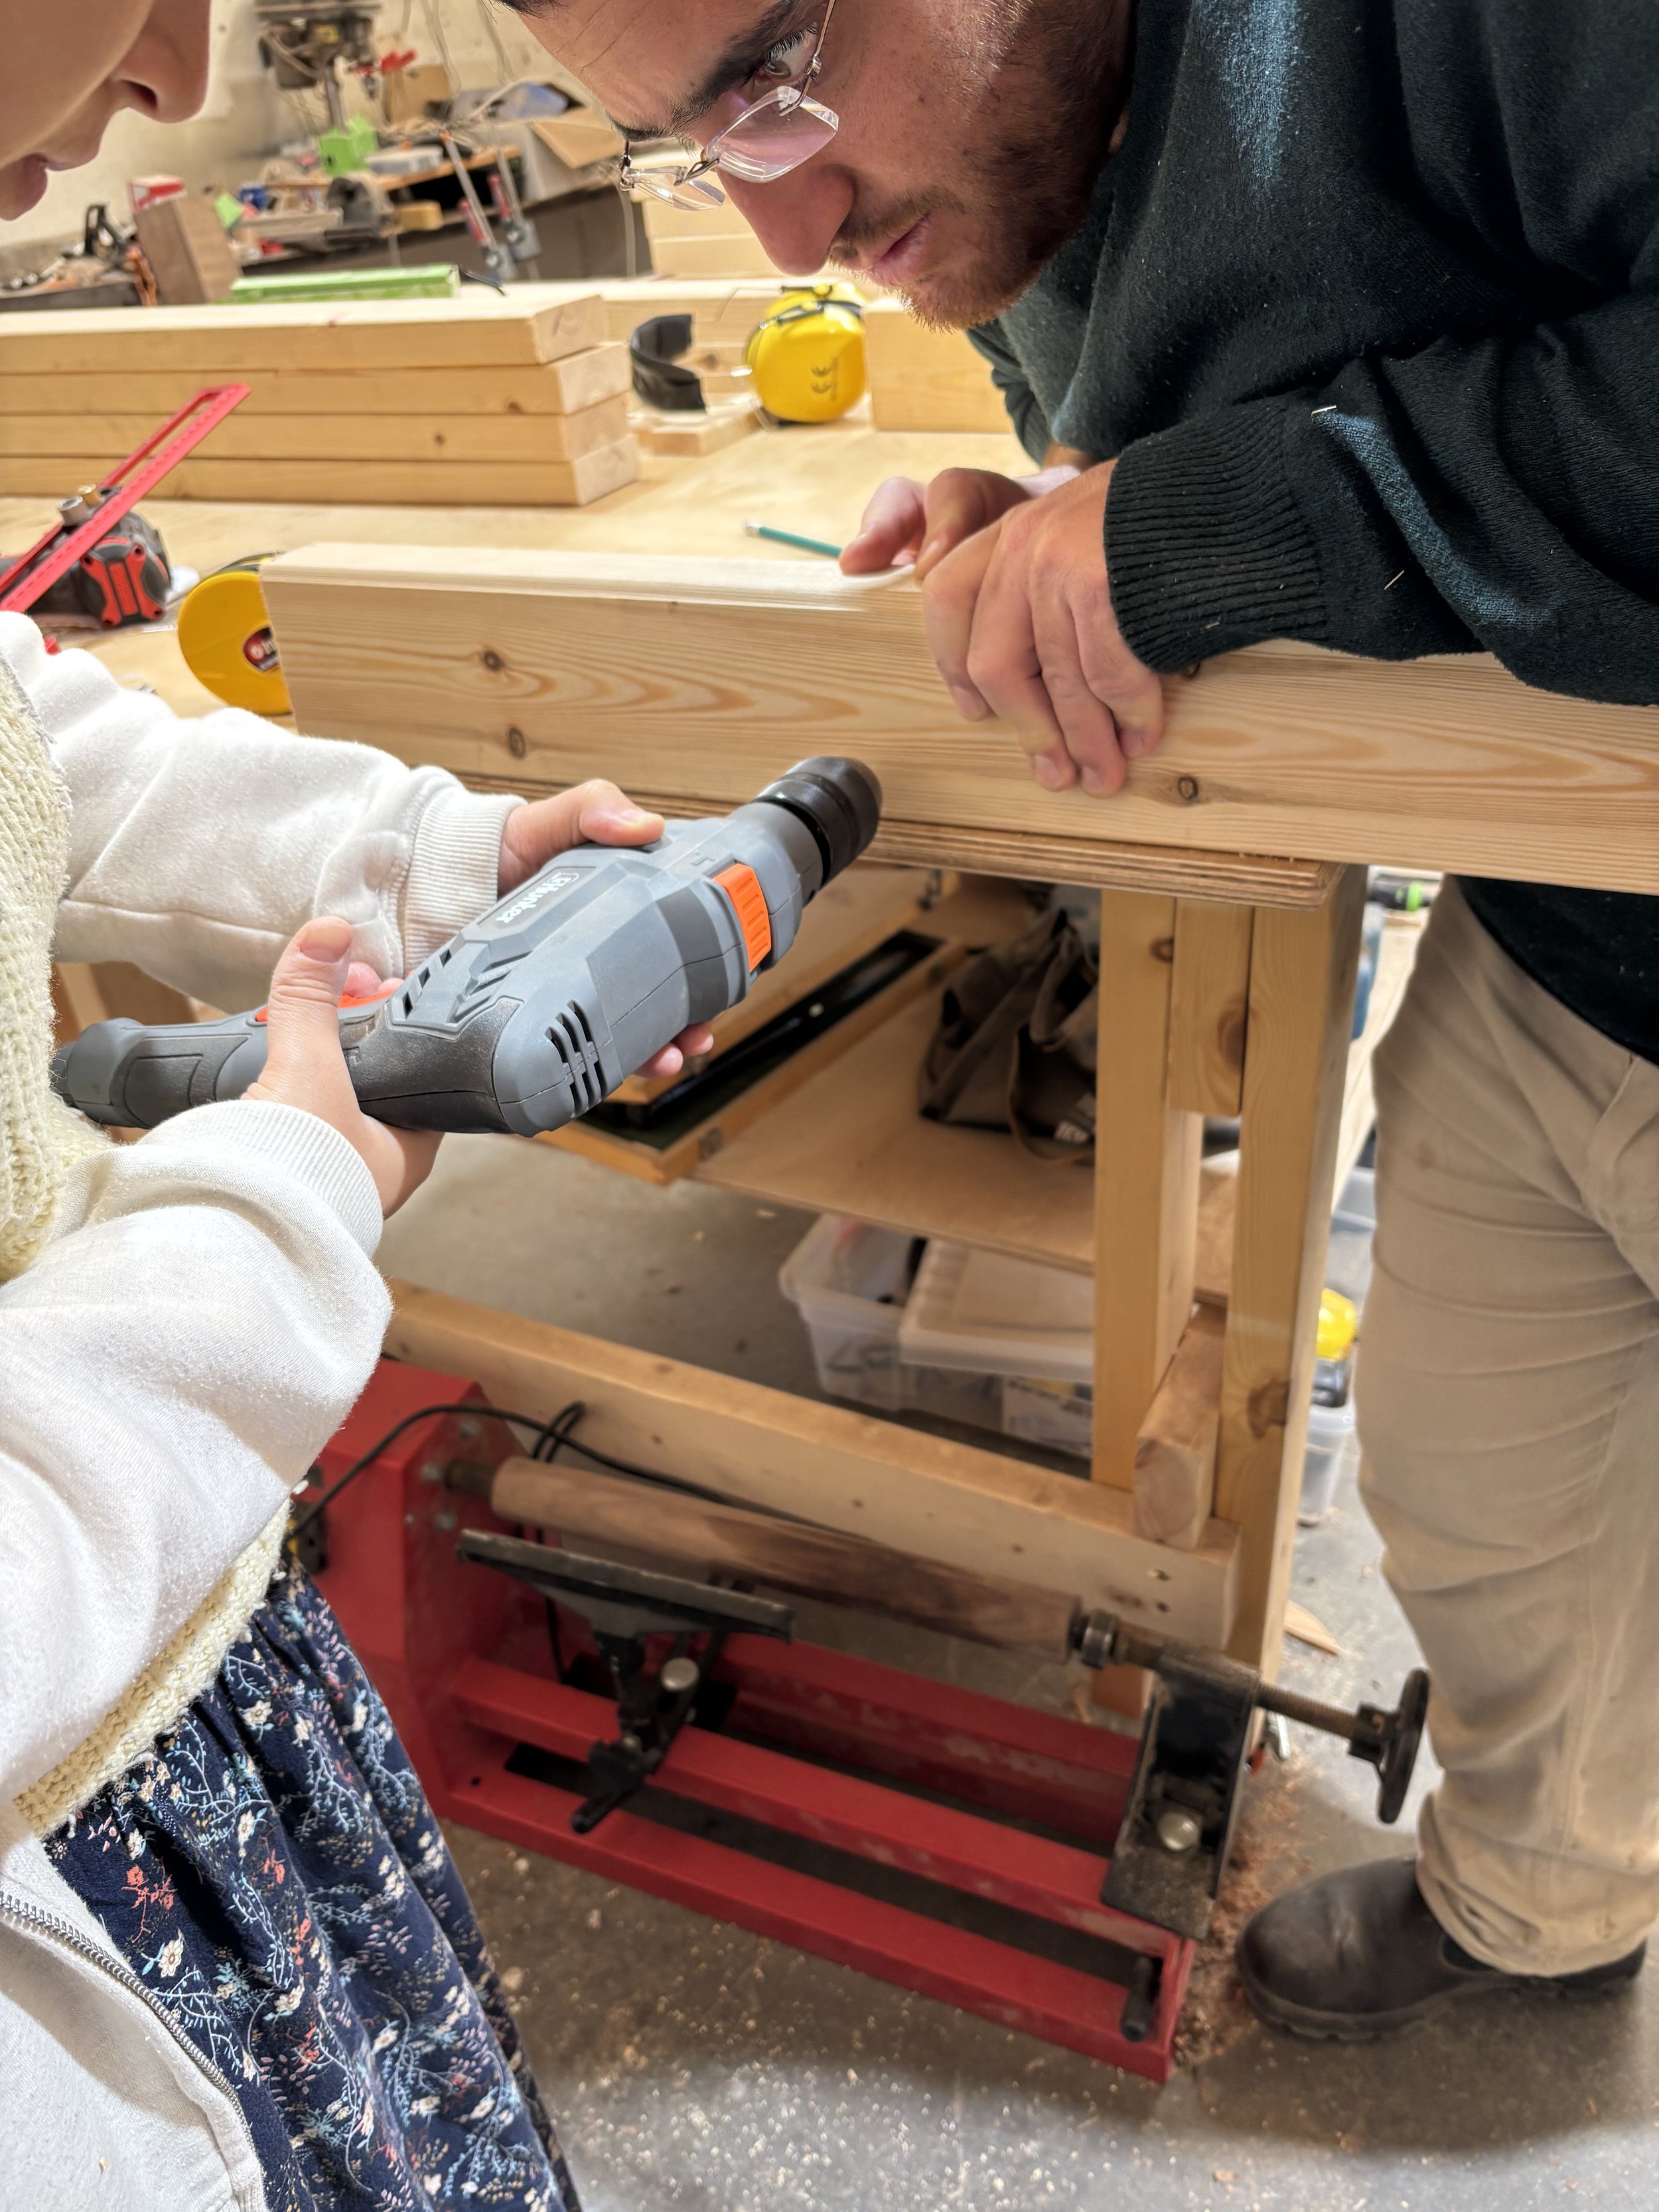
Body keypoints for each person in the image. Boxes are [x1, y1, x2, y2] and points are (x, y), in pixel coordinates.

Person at [516, 0, 1659, 2038]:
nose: (785, 234)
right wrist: (1075, 528)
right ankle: (1541, 1905)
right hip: (1562, 946)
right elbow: (1243, 365)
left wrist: (1253, 514)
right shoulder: (1027, 111)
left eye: (779, 80)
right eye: (698, 148)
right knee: (1481, 1500)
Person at [0, 10, 715, 2206]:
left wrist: (420, 854)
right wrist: (276, 1218)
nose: (168, 77)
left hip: (161, 1632)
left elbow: (33, 734)